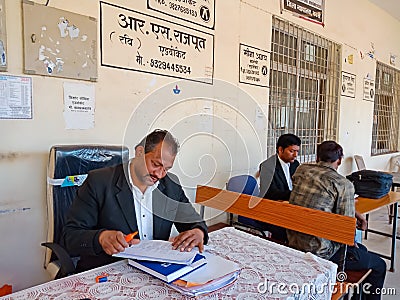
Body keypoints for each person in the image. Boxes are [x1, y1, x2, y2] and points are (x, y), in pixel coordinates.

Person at [62, 129, 208, 272]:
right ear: (139, 152)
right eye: (156, 164)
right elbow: (70, 237)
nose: (159, 174)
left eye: (166, 169)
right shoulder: (99, 182)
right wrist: (100, 237)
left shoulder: (171, 185)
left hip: (156, 270)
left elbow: (193, 221)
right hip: (111, 270)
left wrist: (198, 232)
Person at [287, 141, 386, 300]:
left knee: (363, 251)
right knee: (379, 265)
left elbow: (318, 203)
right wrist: (353, 223)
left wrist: (353, 212)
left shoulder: (301, 170)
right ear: (339, 161)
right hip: (320, 251)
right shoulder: (343, 184)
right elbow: (345, 232)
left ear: (318, 156)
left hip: (294, 239)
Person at [255, 133, 301, 242]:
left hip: (289, 204)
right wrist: (294, 195)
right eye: (291, 151)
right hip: (272, 208)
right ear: (280, 150)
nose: (295, 155)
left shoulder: (295, 164)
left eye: (297, 151)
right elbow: (271, 193)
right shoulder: (267, 166)